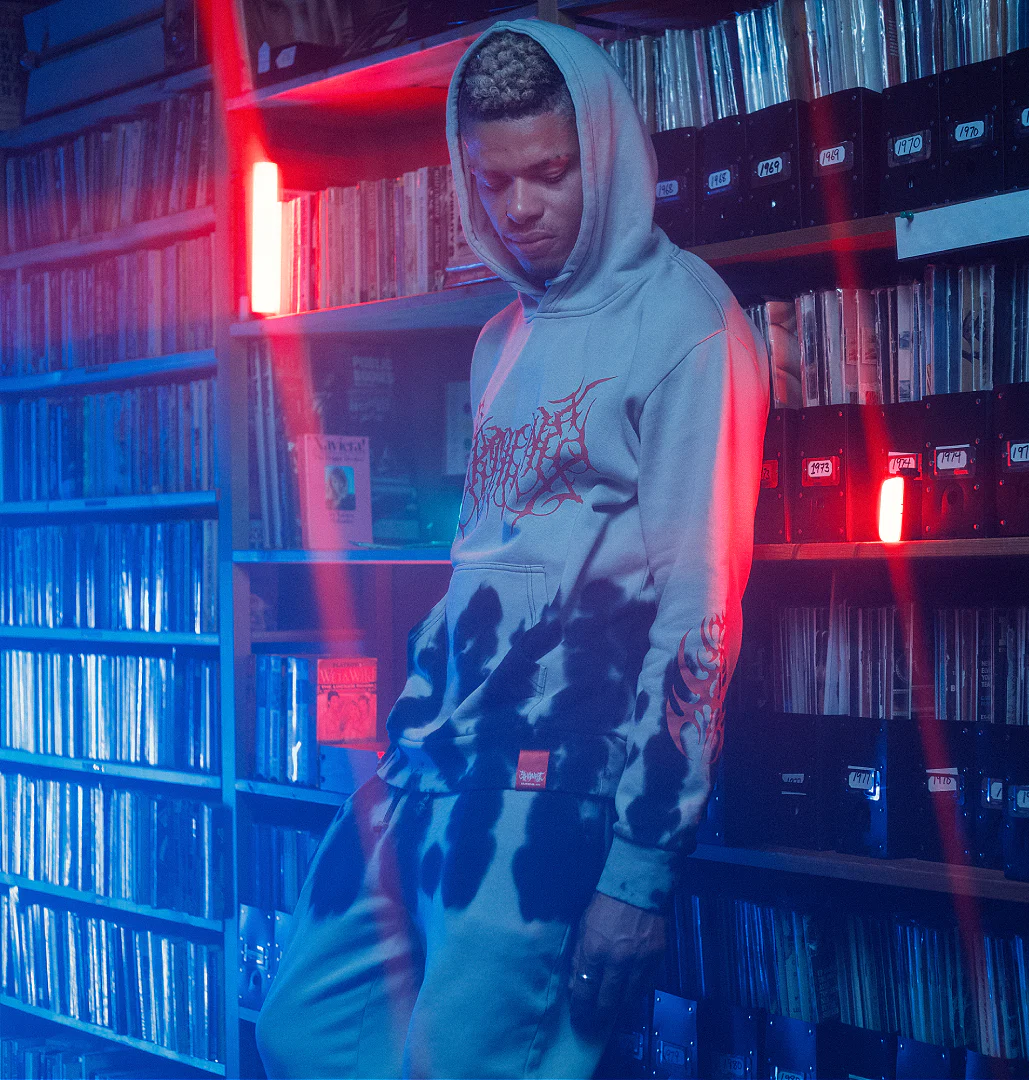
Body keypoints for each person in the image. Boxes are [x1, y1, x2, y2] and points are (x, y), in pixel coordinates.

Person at [256, 19, 769, 1080]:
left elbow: (699, 614)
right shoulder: (502, 337)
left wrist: (637, 873)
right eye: (493, 182)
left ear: (605, 156)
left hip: (553, 784)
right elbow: (478, 565)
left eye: (550, 173)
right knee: (300, 1031)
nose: (519, 208)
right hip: (425, 764)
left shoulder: (690, 328)